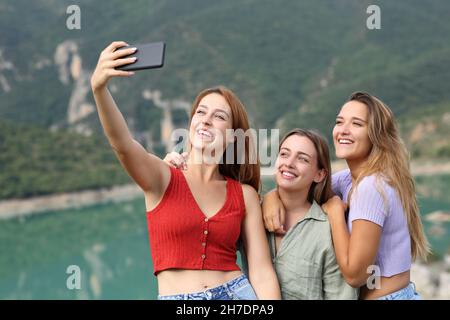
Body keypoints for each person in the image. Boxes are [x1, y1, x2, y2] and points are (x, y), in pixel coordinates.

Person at [90, 41, 280, 300]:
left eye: (219, 116)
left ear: (234, 136)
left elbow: (261, 271)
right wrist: (99, 89)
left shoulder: (244, 194)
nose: (206, 119)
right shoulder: (162, 177)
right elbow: (122, 144)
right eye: (200, 112)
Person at [263, 92, 430, 300]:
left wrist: (334, 213)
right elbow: (300, 185)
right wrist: (271, 197)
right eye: (339, 122)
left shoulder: (371, 187)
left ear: (376, 135)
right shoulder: (350, 179)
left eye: (357, 124)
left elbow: (355, 275)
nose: (343, 130)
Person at [165, 129, 358, 299]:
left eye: (302, 159)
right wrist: (171, 174)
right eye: (284, 154)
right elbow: (201, 218)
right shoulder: (251, 213)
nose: (289, 163)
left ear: (320, 174)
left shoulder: (326, 229)